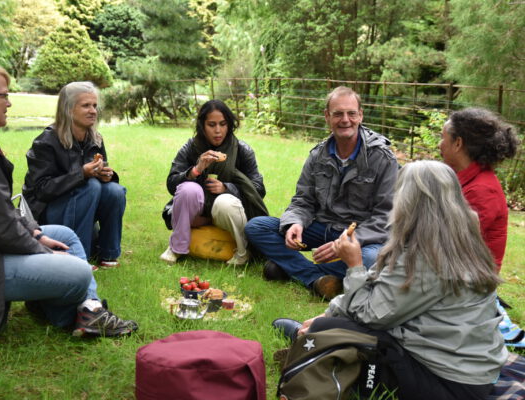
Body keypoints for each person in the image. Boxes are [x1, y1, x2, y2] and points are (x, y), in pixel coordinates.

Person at [0, 59, 137, 337]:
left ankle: (87, 312)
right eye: (4, 95)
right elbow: (0, 228)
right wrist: (43, 251)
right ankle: (80, 311)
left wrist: (35, 234)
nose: (9, 103)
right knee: (78, 271)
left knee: (66, 236)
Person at [273, 161, 507, 400]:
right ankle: (314, 337)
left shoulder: (427, 256)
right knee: (330, 323)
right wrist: (330, 313)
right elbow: (382, 288)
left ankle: (314, 343)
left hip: (448, 382)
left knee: (333, 329)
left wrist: (354, 265)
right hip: (475, 369)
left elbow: (370, 315)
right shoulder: (458, 239)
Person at [245, 86, 398, 299]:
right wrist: (294, 223)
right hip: (321, 227)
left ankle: (292, 269)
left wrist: (344, 242)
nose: (345, 120)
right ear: (327, 116)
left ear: (360, 115)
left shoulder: (382, 158)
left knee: (373, 259)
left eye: (351, 113)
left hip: (359, 236)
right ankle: (316, 278)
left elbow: (385, 217)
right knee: (257, 227)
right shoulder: (318, 155)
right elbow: (303, 199)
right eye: (338, 114)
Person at [23, 81, 126, 268]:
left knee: (114, 191)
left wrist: (105, 175)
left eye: (94, 105)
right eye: (86, 105)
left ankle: (108, 254)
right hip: (46, 211)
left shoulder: (95, 138)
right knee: (91, 185)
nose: (93, 111)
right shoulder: (46, 142)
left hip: (83, 203)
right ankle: (79, 257)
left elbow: (100, 177)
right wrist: (82, 174)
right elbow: (40, 190)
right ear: (68, 109)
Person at [160, 99, 268, 265]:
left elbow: (259, 189)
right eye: (212, 125)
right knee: (188, 189)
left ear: (229, 125)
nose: (218, 131)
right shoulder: (191, 148)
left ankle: (242, 252)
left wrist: (228, 188)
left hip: (226, 213)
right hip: (198, 209)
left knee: (225, 201)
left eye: (223, 124)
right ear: (202, 125)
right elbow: (172, 184)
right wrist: (196, 169)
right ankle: (177, 248)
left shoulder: (241, 150)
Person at [439, 107, 519, 271]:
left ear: (458, 143)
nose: (439, 145)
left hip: (471, 283)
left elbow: (450, 243)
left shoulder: (481, 190)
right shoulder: (461, 178)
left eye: (442, 138)